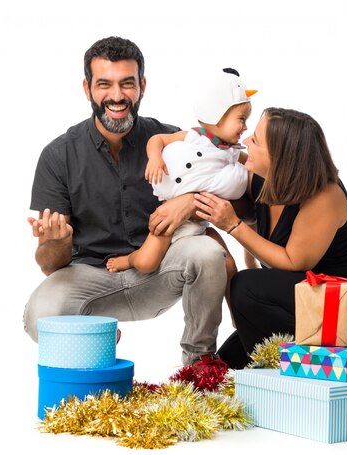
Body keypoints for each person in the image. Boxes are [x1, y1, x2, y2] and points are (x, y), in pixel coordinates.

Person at [24, 36, 229, 368]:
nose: (117, 96)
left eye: (127, 84)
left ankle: (199, 363)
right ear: (87, 88)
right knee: (40, 316)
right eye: (104, 84)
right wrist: (59, 241)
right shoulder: (58, 155)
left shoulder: (171, 141)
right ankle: (100, 335)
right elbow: (50, 265)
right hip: (92, 281)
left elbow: (225, 192)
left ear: (142, 86)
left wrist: (189, 200)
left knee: (206, 251)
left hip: (160, 271)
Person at [192, 107, 347, 369]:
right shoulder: (260, 175)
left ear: (281, 158)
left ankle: (278, 386)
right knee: (227, 362)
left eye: (256, 141)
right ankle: (263, 379)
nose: (246, 142)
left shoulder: (324, 195)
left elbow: (293, 262)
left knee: (245, 287)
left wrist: (233, 225)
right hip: (314, 296)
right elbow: (208, 170)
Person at [105, 69, 256, 312]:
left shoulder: (232, 152)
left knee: (228, 265)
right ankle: (129, 259)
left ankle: (239, 319)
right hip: (170, 220)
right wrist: (154, 159)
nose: (245, 127)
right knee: (146, 262)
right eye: (241, 119)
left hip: (199, 225)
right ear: (218, 115)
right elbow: (157, 140)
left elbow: (253, 167)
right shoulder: (194, 137)